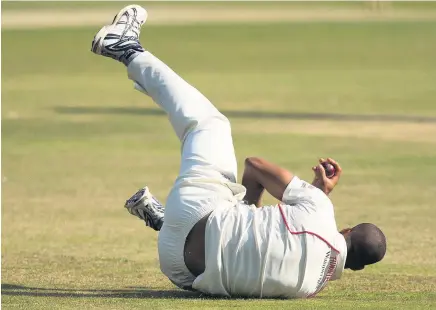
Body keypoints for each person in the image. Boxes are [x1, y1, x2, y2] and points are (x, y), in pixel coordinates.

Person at [91, 5, 387, 298]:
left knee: (210, 124)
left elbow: (254, 166)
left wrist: (317, 193)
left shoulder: (321, 210)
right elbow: (264, 247)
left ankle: (124, 46)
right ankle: (162, 221)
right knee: (240, 235)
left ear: (346, 230)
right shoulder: (309, 289)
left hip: (195, 211)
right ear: (357, 268)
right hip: (178, 267)